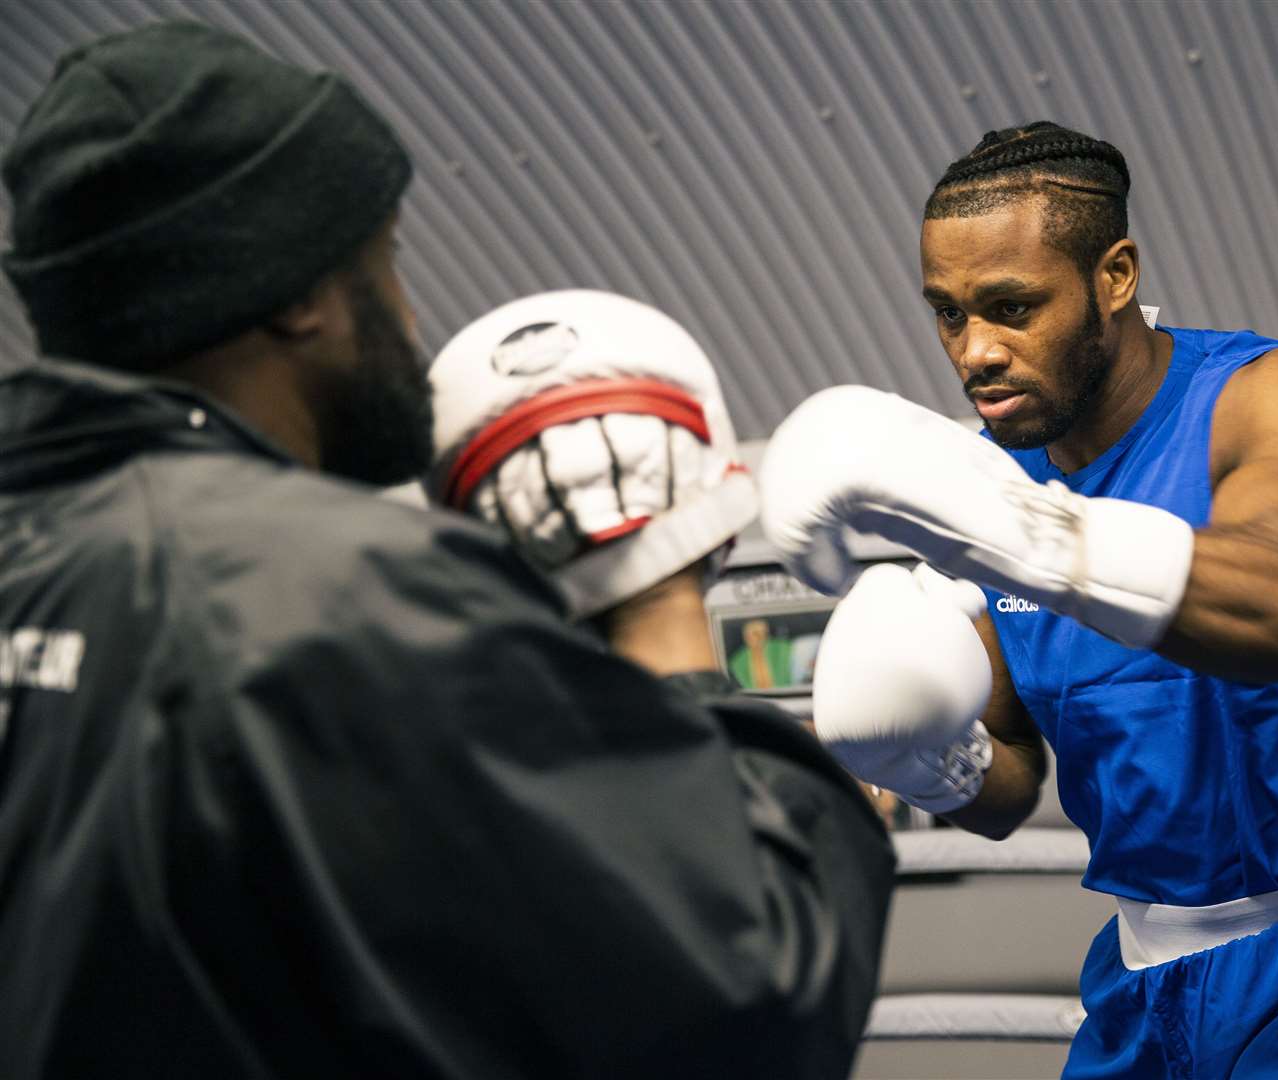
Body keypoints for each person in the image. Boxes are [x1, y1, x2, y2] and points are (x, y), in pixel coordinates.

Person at [0, 21, 892, 1079]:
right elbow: (756, 998)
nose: (410, 316)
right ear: (296, 293)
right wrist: (661, 607)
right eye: (385, 262)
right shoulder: (334, 597)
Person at [761, 122, 1278, 1077]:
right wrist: (926, 760)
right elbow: (1013, 780)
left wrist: (1024, 532)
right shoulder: (991, 480)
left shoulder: (1268, 397)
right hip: (1142, 983)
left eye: (1011, 307)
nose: (974, 351)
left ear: (1116, 276)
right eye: (946, 313)